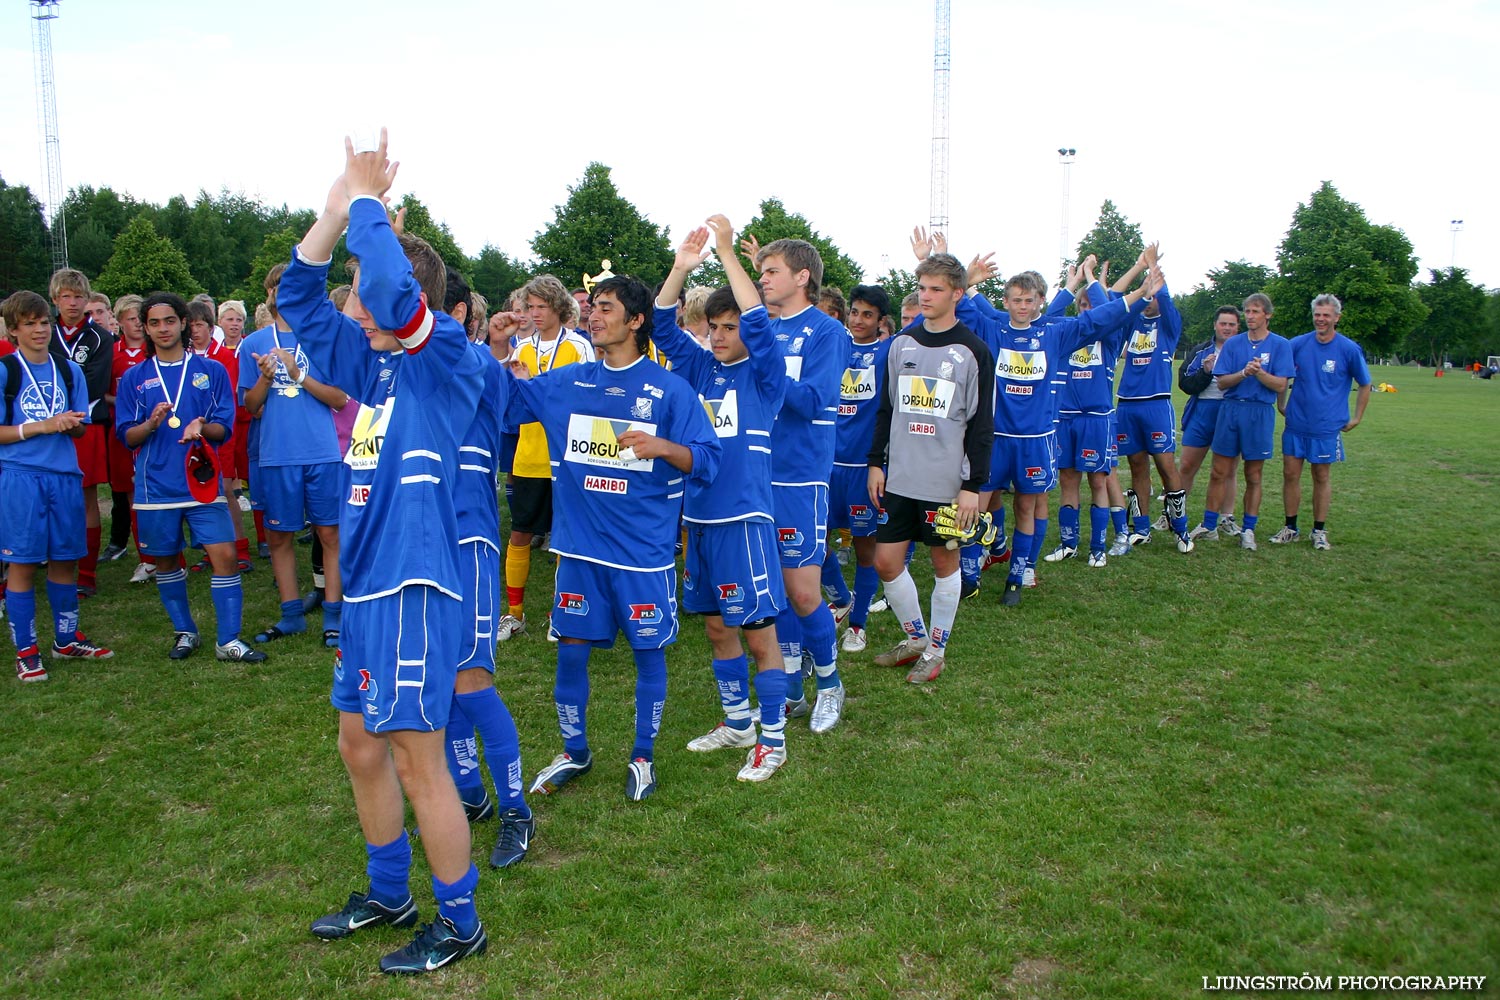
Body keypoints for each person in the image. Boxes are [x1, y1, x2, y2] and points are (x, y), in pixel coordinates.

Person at [280, 132, 489, 975]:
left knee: (414, 754)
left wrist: (369, 209)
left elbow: (399, 297)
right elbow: (297, 295)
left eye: (359, 290)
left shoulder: (445, 360)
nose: (352, 303)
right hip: (365, 588)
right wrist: (336, 212)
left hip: (413, 583)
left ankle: (461, 922)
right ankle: (388, 890)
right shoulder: (372, 373)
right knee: (359, 746)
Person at [502, 273, 720, 802]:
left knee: (650, 654)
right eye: (591, 308)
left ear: (636, 320)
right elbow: (505, 406)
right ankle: (574, 752)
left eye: (605, 308)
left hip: (642, 556)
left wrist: (663, 447)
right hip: (578, 551)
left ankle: (643, 755)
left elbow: (709, 461)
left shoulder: (670, 390)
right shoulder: (568, 382)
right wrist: (495, 348)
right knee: (570, 652)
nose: (592, 316)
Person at [654, 217, 791, 781]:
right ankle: (738, 723)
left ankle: (776, 740)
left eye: (728, 327)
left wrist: (729, 254)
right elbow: (662, 325)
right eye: (713, 327)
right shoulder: (700, 369)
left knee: (760, 634)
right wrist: (682, 267)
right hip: (699, 519)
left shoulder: (765, 372)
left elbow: (758, 320)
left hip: (745, 520)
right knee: (715, 627)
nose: (718, 335)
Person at [957, 260, 1158, 605]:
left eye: (1029, 300)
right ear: (1005, 302)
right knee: (977, 508)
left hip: (1036, 442)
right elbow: (953, 304)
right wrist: (968, 280)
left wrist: (1141, 294)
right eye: (1016, 300)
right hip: (995, 440)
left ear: (1040, 302)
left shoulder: (1055, 332)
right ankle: (969, 576)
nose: (1023, 307)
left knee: (1026, 507)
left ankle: (1018, 576)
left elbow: (1101, 319)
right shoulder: (992, 329)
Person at [115, 292, 265, 664]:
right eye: (154, 323)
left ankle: (228, 640)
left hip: (201, 480)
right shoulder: (135, 377)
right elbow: (125, 435)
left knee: (225, 555)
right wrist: (150, 423)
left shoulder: (210, 369)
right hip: (156, 485)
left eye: (169, 321)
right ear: (146, 329)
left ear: (184, 322)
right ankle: (185, 632)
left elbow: (224, 427)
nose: (163, 329)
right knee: (166, 560)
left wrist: (202, 426)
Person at [866, 253, 993, 681]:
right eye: (922, 287)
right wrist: (875, 463)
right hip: (899, 476)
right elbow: (885, 410)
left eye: (936, 289)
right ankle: (916, 637)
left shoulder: (973, 351)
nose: (926, 296)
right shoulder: (901, 343)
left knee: (944, 564)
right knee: (886, 562)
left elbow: (981, 424)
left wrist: (972, 485)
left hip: (945, 484)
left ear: (957, 293)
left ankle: (936, 651)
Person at [751, 237, 851, 733]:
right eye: (761, 272)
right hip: (755, 475)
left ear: (801, 276)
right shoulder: (763, 328)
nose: (763, 279)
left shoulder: (826, 332)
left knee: (804, 592)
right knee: (772, 593)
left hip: (800, 477)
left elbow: (814, 401)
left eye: (771, 271)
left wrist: (768, 372)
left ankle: (830, 686)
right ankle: (791, 689)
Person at [2, 290, 112, 682]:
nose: (39, 330)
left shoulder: (69, 371)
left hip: (65, 476)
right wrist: (43, 425)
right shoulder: (5, 370)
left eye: (43, 322)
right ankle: (26, 650)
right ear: (13, 330)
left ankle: (66, 639)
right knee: (24, 562)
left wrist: (71, 422)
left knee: (65, 558)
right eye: (29, 324)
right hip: (21, 477)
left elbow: (83, 425)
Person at [238, 263, 347, 647]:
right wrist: (266, 377)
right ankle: (291, 615)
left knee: (330, 533)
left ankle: (334, 615)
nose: (286, 294)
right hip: (277, 454)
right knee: (280, 536)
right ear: (270, 293)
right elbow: (250, 406)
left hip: (323, 451)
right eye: (279, 287)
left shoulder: (321, 339)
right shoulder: (252, 344)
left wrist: (297, 374)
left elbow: (339, 398)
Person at [498, 274, 594, 641]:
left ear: (558, 307)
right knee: (520, 532)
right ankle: (514, 613)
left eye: (541, 306)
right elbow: (511, 408)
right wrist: (521, 387)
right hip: (529, 456)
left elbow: (582, 400)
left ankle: (561, 611)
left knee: (564, 537)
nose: (534, 313)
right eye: (530, 307)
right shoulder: (520, 349)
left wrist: (533, 388)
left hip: (567, 456)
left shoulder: (579, 347)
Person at [1271, 294, 1371, 550]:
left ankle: (1319, 530)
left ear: (1337, 317)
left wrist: (1357, 417)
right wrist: (1282, 403)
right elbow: (1282, 373)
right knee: (1290, 474)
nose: (1321, 320)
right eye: (1317, 314)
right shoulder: (1298, 344)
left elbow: (1365, 383)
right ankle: (1290, 527)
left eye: (1326, 315)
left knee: (1321, 476)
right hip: (1297, 423)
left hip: (1326, 426)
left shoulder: (1348, 349)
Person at [823, 284, 892, 652]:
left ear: (881, 321)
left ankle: (858, 623)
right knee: (815, 542)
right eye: (854, 312)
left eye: (868, 314)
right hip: (825, 465)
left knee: (867, 550)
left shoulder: (887, 353)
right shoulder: (834, 348)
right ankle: (841, 596)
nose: (858, 320)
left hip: (864, 468)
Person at [1202, 293, 1293, 551]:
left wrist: (1260, 373)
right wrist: (1243, 373)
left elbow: (1280, 384)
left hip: (1260, 412)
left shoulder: (1280, 345)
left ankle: (1248, 529)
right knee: (1219, 470)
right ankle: (1209, 526)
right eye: (1248, 311)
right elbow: (1222, 382)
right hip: (1231, 410)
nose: (1250, 316)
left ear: (1267, 315)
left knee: (1253, 474)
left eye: (1255, 311)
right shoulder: (1233, 345)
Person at [49, 268, 115, 597]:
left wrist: (63, 410)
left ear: (87, 300)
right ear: (55, 299)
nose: (72, 303)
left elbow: (95, 384)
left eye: (78, 297)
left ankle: (87, 573)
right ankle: (52, 564)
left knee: (87, 498)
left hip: (83, 424)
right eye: (65, 296)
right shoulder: (44, 333)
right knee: (50, 497)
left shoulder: (100, 337)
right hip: (45, 427)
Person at [1182, 307, 1243, 541]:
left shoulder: (1243, 351)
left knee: (1228, 469)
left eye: (1231, 324)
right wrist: (1205, 372)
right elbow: (1185, 383)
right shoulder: (1201, 351)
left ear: (1238, 327)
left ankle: (1226, 517)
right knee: (1187, 465)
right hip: (1202, 410)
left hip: (1229, 412)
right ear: (1215, 325)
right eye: (1223, 323)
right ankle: (1174, 514)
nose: (1226, 328)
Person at [103, 294, 150, 573]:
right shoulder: (111, 353)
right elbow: (103, 392)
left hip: (155, 433)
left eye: (139, 319)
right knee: (131, 496)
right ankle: (145, 556)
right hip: (124, 433)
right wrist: (124, 401)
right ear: (119, 321)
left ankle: (164, 554)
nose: (136, 324)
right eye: (131, 319)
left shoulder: (154, 350)